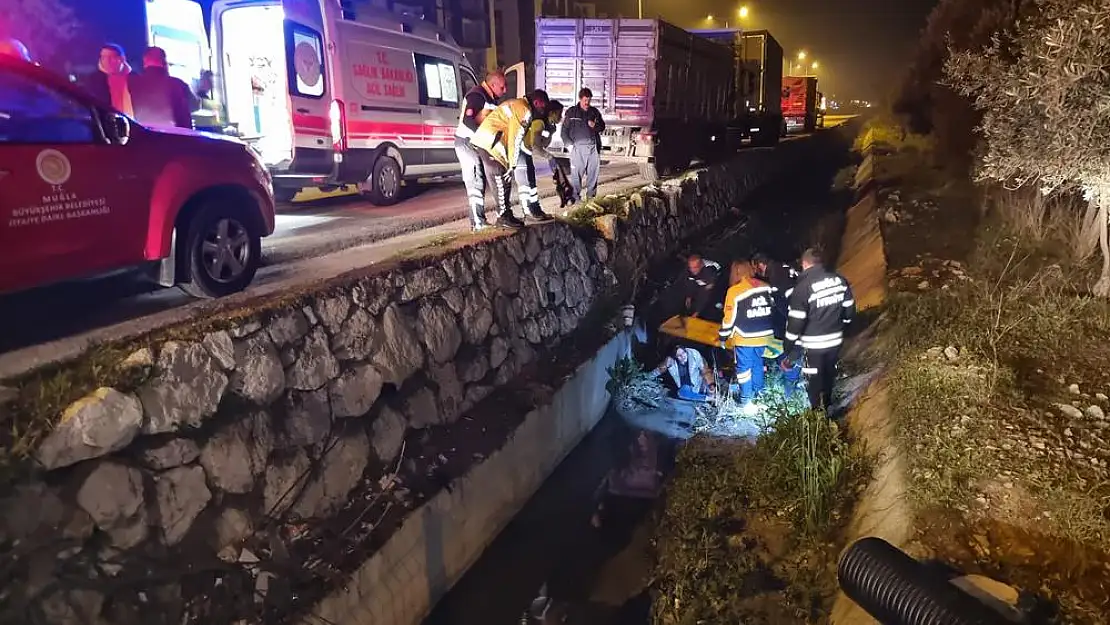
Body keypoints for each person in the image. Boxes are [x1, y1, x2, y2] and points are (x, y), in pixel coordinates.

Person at [782, 248, 857, 412]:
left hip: (813, 344)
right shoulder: (839, 280)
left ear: (804, 264)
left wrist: (788, 347)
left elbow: (795, 323)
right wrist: (844, 326)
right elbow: (849, 310)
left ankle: (817, 413)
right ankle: (829, 403)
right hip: (836, 340)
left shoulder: (802, 288)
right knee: (829, 372)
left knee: (813, 379)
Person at [470, 89, 552, 228]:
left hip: (487, 141)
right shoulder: (525, 110)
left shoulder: (517, 103)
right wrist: (512, 165)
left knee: (501, 179)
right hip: (491, 143)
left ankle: (505, 214)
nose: (543, 112)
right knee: (502, 178)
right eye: (543, 107)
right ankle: (503, 216)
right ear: (537, 102)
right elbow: (516, 137)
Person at [719, 260, 776, 410]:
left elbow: (729, 318)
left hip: (745, 336)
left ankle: (746, 398)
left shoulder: (734, 291)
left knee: (743, 368)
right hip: (765, 334)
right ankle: (760, 393)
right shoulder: (766, 286)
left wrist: (723, 337)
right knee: (757, 363)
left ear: (736, 272)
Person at [454, 69, 507, 231]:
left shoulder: (489, 98)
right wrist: (484, 137)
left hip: (475, 143)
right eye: (502, 87)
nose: (505, 91)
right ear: (493, 84)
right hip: (467, 143)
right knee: (476, 182)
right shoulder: (477, 95)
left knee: (481, 180)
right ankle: (477, 223)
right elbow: (468, 120)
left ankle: (479, 221)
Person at [513, 92, 557, 221]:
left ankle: (535, 210)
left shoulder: (543, 123)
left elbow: (542, 144)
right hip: (520, 151)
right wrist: (549, 157)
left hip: (525, 152)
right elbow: (536, 146)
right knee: (525, 184)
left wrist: (550, 133)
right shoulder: (537, 121)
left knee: (531, 183)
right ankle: (528, 213)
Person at [129, 47, 193, 129]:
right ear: (164, 61)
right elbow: (194, 105)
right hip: (175, 135)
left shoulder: (133, 82)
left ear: (144, 61)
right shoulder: (177, 83)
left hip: (144, 134)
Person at [561, 87, 605, 202]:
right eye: (585, 100)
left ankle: (591, 199)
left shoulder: (594, 112)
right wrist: (569, 145)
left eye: (589, 100)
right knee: (576, 175)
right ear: (580, 99)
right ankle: (576, 199)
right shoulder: (571, 112)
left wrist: (594, 126)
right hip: (577, 149)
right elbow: (564, 131)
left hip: (592, 148)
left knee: (593, 175)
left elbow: (602, 127)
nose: (587, 103)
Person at [752, 252, 800, 340]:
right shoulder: (782, 267)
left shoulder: (775, 275)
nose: (755, 272)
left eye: (755, 268)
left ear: (761, 265)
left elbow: (782, 302)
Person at [82, 43, 133, 116]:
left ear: (122, 59)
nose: (107, 61)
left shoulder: (133, 78)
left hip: (132, 123)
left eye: (111, 57)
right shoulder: (94, 80)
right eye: (103, 57)